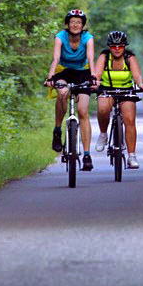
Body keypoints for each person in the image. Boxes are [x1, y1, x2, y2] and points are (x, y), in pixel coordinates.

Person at [44, 9, 97, 171]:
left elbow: (90, 58)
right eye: (73, 22)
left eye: (79, 22)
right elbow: (56, 58)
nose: (75, 25)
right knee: (62, 92)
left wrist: (94, 76)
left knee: (82, 111)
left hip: (83, 73)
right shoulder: (60, 37)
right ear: (67, 24)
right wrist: (50, 77)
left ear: (83, 25)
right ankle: (57, 130)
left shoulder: (88, 38)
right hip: (63, 71)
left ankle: (87, 155)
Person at [93, 31, 143, 169]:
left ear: (124, 47)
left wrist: (141, 84)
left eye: (120, 46)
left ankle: (132, 156)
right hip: (107, 89)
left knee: (129, 120)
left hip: (126, 90)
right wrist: (95, 83)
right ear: (109, 47)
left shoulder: (129, 57)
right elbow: (97, 74)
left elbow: (137, 76)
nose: (117, 49)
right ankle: (103, 134)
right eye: (113, 46)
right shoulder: (104, 57)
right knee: (103, 108)